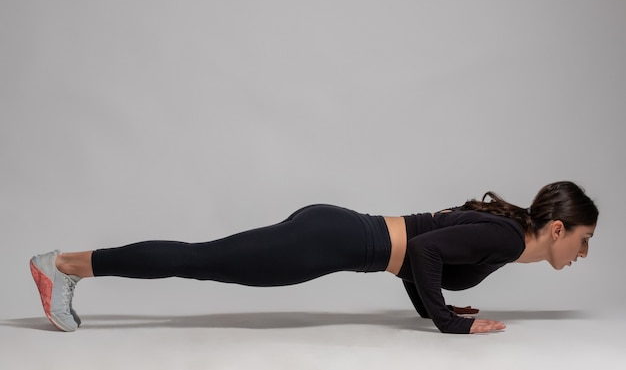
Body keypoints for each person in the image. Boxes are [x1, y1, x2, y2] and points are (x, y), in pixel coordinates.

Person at [29, 181, 598, 334]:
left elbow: (419, 259)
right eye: (583, 239)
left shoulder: (507, 234)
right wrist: (448, 323)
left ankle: (67, 266)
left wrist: (435, 310)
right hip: (330, 241)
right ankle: (66, 266)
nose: (583, 252)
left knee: (202, 259)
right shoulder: (505, 240)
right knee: (199, 259)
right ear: (557, 228)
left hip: (336, 231)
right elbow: (423, 250)